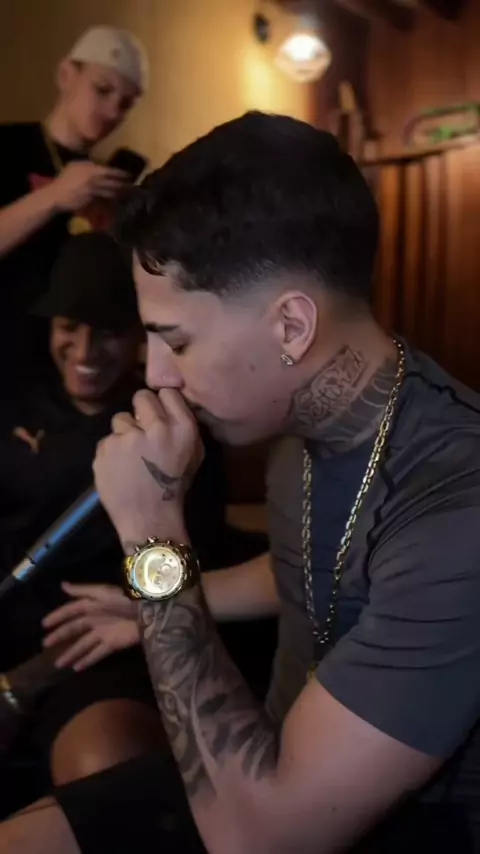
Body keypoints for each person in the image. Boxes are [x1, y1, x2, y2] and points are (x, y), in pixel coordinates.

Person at [3, 111, 480, 854]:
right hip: (263, 760)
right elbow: (303, 561)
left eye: (177, 341)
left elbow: (260, 839)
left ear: (290, 327)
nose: (157, 377)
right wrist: (151, 605)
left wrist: (153, 543)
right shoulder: (307, 419)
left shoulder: (457, 508)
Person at [0, 231, 241, 801]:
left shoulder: (172, 428)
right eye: (70, 327)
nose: (85, 351)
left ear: (139, 336)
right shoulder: (13, 400)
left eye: (109, 331)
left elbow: (183, 579)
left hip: (108, 647)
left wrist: (25, 682)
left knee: (107, 769)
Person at [0, 26, 148, 392]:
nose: (113, 110)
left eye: (126, 103)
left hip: (62, 373)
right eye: (103, 89)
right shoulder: (7, 146)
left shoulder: (105, 180)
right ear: (66, 75)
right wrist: (54, 196)